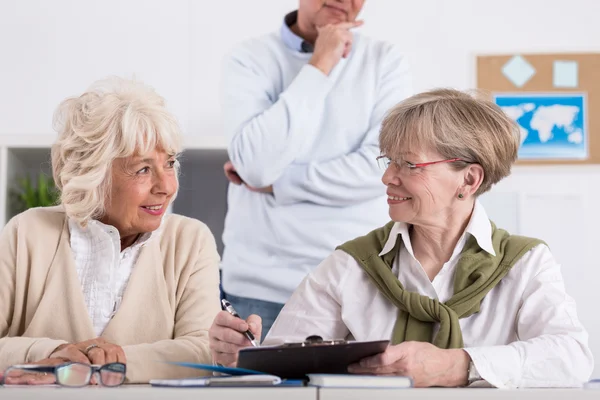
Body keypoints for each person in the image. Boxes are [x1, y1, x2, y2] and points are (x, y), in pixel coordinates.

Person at [209, 88, 594, 388]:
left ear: (469, 180)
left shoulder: (526, 262)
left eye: (408, 164)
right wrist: (248, 357)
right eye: (388, 160)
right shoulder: (351, 264)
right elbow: (281, 364)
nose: (387, 178)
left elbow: (572, 357)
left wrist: (456, 365)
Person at [0, 77, 221, 384]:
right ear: (92, 173)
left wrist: (113, 362)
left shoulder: (190, 241)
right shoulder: (26, 233)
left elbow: (204, 350)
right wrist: (55, 352)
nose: (167, 187)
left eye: (169, 163)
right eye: (143, 169)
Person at [220, 0, 412, 334]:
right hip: (260, 286)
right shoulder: (248, 58)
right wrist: (321, 62)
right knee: (255, 387)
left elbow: (382, 168)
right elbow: (255, 166)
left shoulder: (385, 60)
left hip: (358, 284)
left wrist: (280, 184)